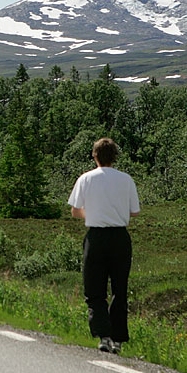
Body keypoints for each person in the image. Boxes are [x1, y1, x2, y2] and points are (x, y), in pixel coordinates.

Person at [68, 137, 140, 354]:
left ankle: (103, 335)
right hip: (120, 237)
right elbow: (134, 212)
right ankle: (118, 338)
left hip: (96, 237)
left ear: (94, 155)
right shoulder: (126, 179)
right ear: (115, 157)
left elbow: (75, 210)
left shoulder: (86, 178)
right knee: (119, 288)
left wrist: (93, 213)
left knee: (94, 289)